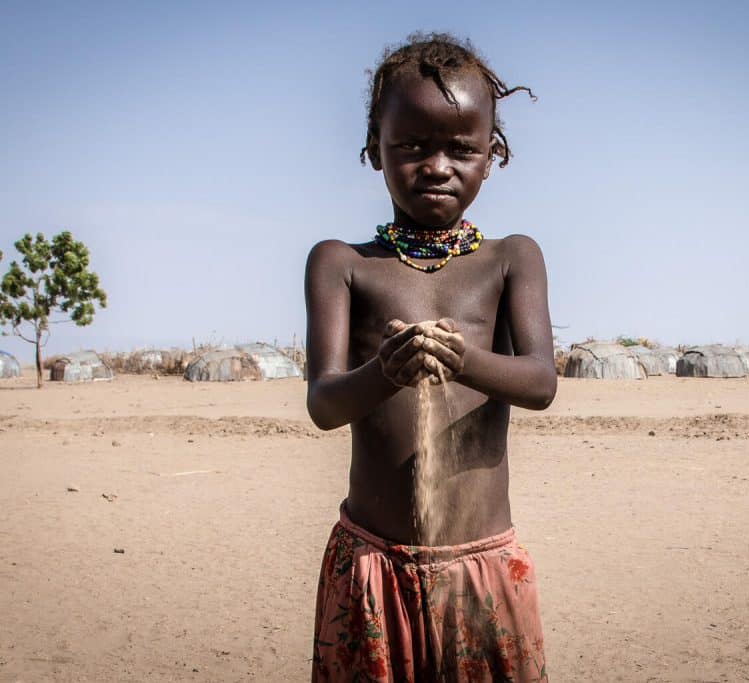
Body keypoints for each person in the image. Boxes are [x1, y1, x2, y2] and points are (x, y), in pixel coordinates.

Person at [305, 32, 555, 682]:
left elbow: (538, 381)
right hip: (371, 566)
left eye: (461, 148)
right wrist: (384, 372)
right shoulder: (343, 264)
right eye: (412, 147)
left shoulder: (510, 259)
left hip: (481, 568)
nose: (437, 165)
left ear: (492, 154)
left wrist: (461, 359)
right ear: (373, 151)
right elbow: (324, 402)